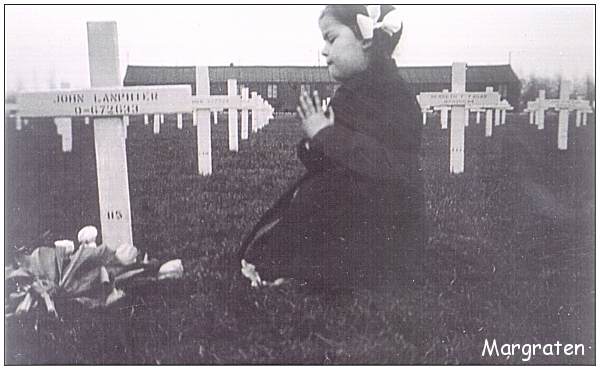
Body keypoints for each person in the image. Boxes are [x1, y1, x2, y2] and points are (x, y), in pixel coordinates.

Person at [238, 5, 424, 291]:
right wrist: (317, 139)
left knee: (318, 197)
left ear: (366, 39)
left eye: (331, 38)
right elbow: (331, 163)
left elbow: (383, 164)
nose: (324, 51)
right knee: (308, 197)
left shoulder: (393, 95)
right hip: (361, 213)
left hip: (386, 221)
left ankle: (301, 270)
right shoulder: (354, 92)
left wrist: (326, 133)